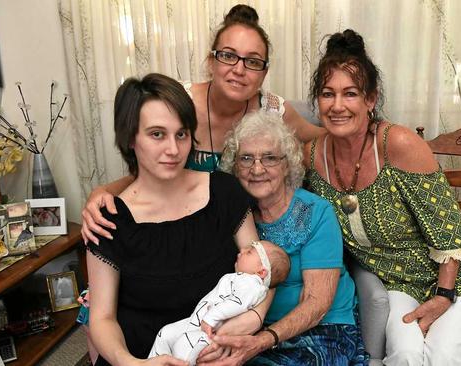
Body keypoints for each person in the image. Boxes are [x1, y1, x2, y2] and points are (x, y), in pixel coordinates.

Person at [304, 29, 461, 366]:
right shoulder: (312, 158)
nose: (337, 105)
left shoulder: (397, 145)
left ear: (370, 100)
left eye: (350, 94)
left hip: (451, 277)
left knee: (444, 356)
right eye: (327, 94)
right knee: (404, 354)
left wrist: (444, 296)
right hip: (394, 281)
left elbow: (449, 235)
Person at [80, 4, 323, 243]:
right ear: (211, 62)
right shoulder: (178, 106)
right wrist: (103, 192)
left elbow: (324, 140)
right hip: (190, 232)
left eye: (253, 61)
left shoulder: (272, 110)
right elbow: (148, 173)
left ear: (264, 73)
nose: (239, 69)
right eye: (228, 56)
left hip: (252, 234)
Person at [86, 73, 264, 366]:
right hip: (139, 357)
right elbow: (102, 318)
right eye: (157, 134)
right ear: (131, 137)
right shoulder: (109, 220)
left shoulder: (224, 191)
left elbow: (261, 275)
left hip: (219, 352)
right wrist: (130, 363)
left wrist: (249, 323)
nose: (173, 149)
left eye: (181, 134)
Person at [210, 110, 367, 365]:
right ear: (234, 166)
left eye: (269, 158)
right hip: (255, 331)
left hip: (323, 329)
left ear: (287, 164)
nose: (257, 169)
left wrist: (264, 339)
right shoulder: (235, 215)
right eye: (246, 158)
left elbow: (317, 303)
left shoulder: (316, 212)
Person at [149, 240, 290, 364]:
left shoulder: (253, 285)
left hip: (211, 331)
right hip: (196, 322)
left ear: (261, 272)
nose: (242, 250)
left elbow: (237, 303)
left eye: (250, 252)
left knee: (184, 346)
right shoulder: (240, 278)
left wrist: (211, 318)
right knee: (165, 333)